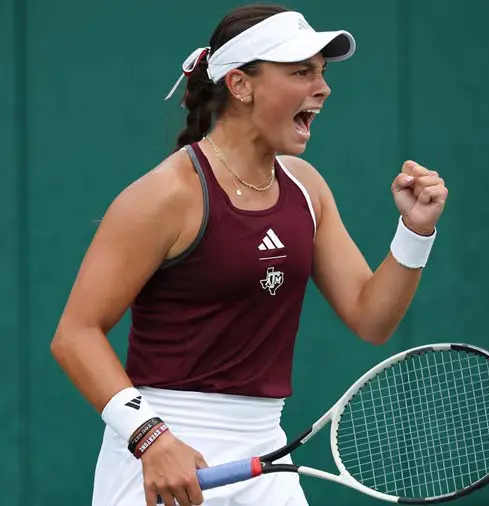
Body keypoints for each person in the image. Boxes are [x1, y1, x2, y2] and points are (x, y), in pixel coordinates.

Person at [50, 4, 449, 506]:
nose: (322, 88)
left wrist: (414, 230)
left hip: (267, 453)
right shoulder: (165, 196)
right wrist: (149, 436)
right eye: (301, 72)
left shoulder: (307, 188)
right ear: (240, 85)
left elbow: (372, 318)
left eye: (322, 73)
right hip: (163, 452)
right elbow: (75, 335)